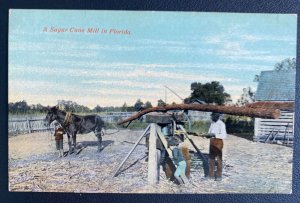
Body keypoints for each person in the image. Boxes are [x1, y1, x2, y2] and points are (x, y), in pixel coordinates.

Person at [206, 112, 227, 181]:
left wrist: (214, 135)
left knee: (218, 160)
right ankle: (211, 175)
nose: (211, 118)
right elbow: (209, 132)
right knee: (211, 159)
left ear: (217, 117)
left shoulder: (221, 124)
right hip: (212, 142)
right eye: (211, 116)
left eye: (213, 116)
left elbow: (224, 136)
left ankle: (219, 176)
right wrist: (206, 135)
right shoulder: (212, 123)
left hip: (218, 142)